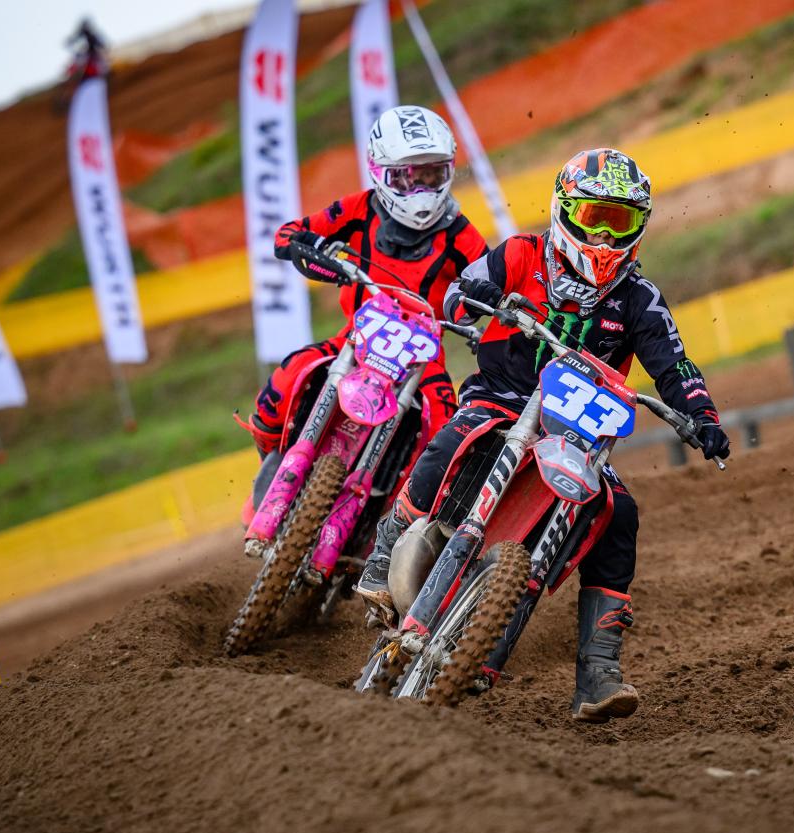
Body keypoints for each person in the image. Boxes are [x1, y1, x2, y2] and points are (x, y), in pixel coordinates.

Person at [357, 148, 731, 722]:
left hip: (577, 430)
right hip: (501, 397)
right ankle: (385, 552)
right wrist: (474, 298)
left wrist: (701, 415)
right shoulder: (522, 254)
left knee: (619, 513)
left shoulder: (639, 298)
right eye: (595, 218)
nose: (604, 238)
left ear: (639, 227)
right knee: (453, 439)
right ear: (565, 210)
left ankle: (598, 671)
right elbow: (463, 287)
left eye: (620, 222)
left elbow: (674, 365)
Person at [243, 106, 489, 577]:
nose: (421, 190)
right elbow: (290, 233)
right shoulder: (358, 209)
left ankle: (403, 530)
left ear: (449, 170)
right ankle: (273, 460)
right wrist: (312, 252)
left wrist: (485, 306)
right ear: (380, 171)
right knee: (287, 378)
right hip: (355, 339)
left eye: (432, 175)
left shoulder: (461, 233)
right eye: (408, 177)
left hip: (423, 360)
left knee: (448, 434)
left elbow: (492, 278)